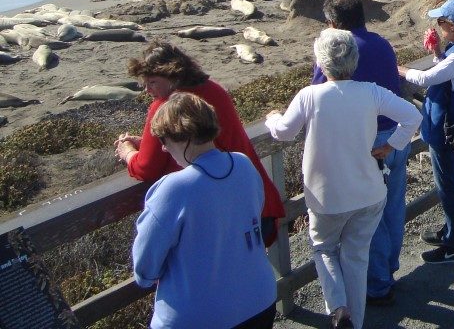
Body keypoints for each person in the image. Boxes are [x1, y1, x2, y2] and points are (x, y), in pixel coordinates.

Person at [266, 29, 421, 329]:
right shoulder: (371, 92)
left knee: (324, 248)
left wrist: (272, 118)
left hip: (327, 196)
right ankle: (355, 321)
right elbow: (413, 117)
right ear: (354, 59)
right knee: (356, 258)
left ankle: (338, 309)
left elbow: (284, 132)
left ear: (321, 63)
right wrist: (391, 145)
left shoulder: (310, 96)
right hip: (369, 192)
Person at [114, 41, 285, 246]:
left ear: (172, 77)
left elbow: (147, 168)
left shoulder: (166, 107)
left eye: (152, 82)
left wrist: (128, 153)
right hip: (256, 207)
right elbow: (206, 139)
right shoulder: (214, 90)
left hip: (219, 219)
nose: (147, 90)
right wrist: (147, 142)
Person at [132, 93, 277, 329]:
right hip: (260, 301)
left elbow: (145, 271)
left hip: (197, 318)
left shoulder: (173, 188)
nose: (164, 148)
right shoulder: (243, 164)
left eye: (164, 140)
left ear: (183, 138)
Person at [310, 0, 408, 307]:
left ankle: (378, 284)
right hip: (393, 134)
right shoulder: (381, 43)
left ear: (334, 24)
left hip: (367, 141)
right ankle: (388, 268)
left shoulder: (335, 51)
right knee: (391, 205)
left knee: (371, 213)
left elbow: (318, 92)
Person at [400, 0, 454, 260]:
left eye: (440, 23)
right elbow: (450, 75)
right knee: (448, 183)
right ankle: (449, 232)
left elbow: (426, 78)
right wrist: (437, 52)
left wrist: (400, 70)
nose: (437, 27)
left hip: (445, 130)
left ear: (451, 26)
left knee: (447, 186)